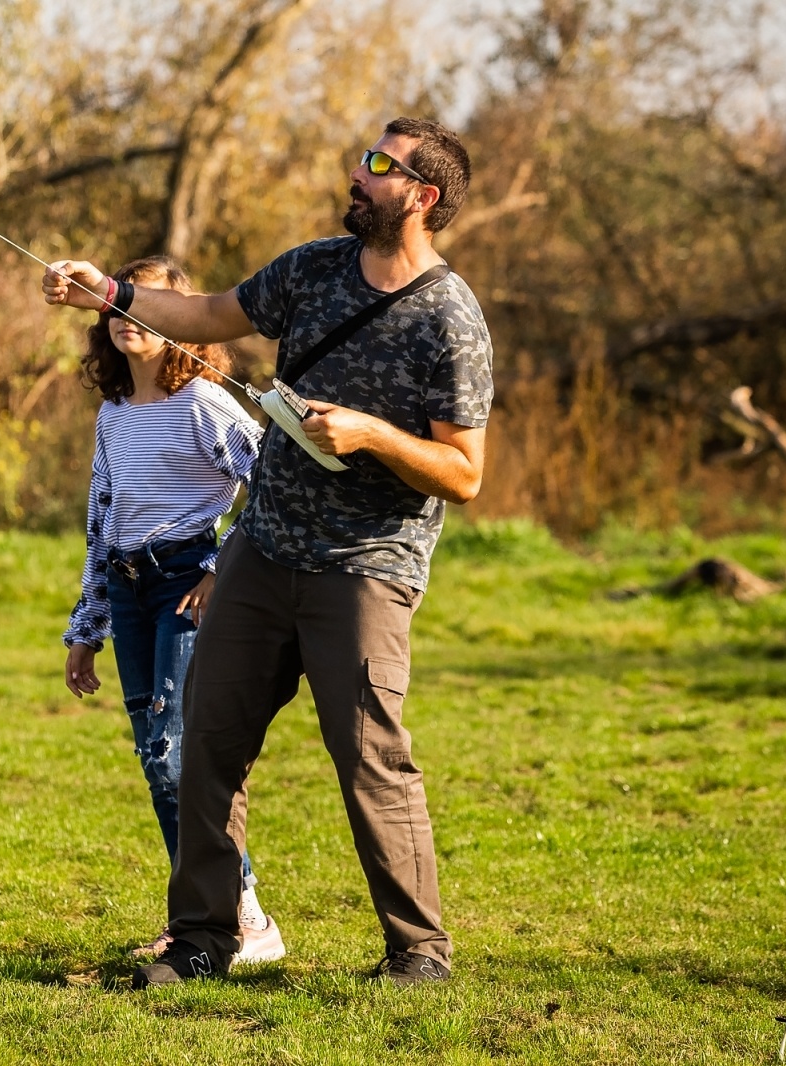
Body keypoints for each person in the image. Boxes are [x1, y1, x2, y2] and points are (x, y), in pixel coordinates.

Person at [43, 117, 493, 989]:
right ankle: (204, 940)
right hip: (262, 548)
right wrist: (110, 293)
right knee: (207, 743)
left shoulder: (451, 320)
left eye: (379, 166)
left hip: (366, 566)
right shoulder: (314, 267)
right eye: (363, 158)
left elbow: (465, 473)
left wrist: (369, 434)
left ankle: (418, 955)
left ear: (423, 197)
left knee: (370, 760)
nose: (356, 174)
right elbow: (206, 313)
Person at [61, 255, 286, 966]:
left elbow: (273, 487)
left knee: (172, 758)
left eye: (149, 309)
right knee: (155, 757)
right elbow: (103, 521)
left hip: (186, 584)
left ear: (177, 324)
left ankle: (238, 916)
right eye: (121, 309)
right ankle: (216, 914)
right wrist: (86, 628)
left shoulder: (208, 405)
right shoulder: (114, 413)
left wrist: (222, 568)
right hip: (127, 594)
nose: (130, 322)